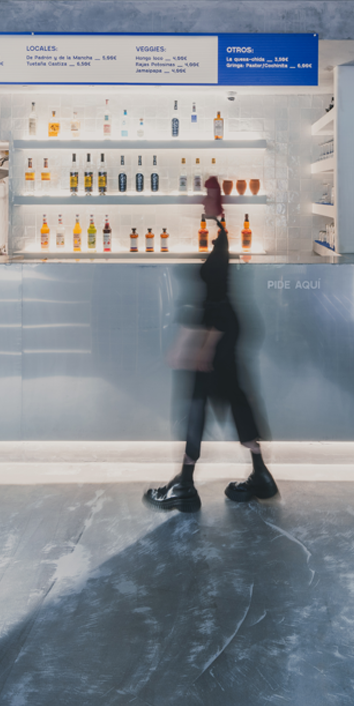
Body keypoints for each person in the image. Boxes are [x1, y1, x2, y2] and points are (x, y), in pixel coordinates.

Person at [145, 178, 276, 512]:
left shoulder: (222, 237)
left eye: (206, 197)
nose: (201, 202)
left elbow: (216, 299)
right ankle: (260, 474)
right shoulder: (221, 232)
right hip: (222, 329)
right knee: (236, 397)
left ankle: (185, 485)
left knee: (197, 400)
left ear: (216, 201)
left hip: (216, 331)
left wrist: (203, 345)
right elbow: (214, 297)